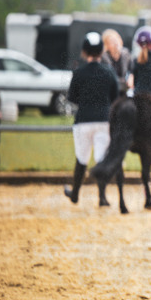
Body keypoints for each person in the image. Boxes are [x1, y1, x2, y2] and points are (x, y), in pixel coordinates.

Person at [64, 32, 120, 205]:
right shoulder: (108, 72)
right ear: (101, 51)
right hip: (103, 121)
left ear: (84, 52)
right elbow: (115, 95)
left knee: (82, 158)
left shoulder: (79, 73)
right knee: (101, 158)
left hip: (83, 121)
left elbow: (72, 97)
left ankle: (75, 194)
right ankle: (102, 197)